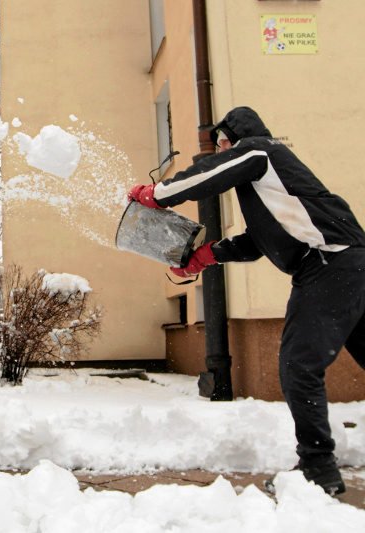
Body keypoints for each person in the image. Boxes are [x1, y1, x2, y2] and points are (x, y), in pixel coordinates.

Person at [128, 106, 365, 496]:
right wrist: (208, 255)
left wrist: (159, 194)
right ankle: (317, 466)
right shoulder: (270, 185)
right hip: (347, 263)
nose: (220, 150)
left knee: (299, 366)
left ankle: (317, 469)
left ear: (232, 136)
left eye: (222, 143)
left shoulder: (260, 151)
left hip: (330, 264)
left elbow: (211, 175)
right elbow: (261, 241)